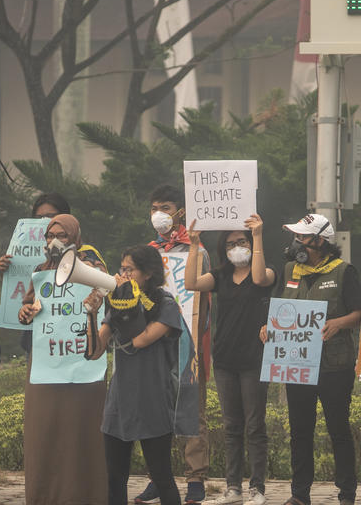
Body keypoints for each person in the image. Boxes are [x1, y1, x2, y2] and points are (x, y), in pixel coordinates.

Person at [267, 213, 361, 505]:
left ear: (320, 241)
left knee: (338, 429)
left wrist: (339, 323)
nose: (297, 243)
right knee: (299, 431)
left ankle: (347, 493)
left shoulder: (345, 271)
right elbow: (277, 308)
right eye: (296, 237)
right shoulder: (288, 270)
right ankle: (299, 495)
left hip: (335, 365)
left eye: (302, 238)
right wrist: (266, 328)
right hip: (296, 364)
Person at [17, 213, 109, 505]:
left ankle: (85, 497)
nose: (53, 241)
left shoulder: (93, 267)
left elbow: (109, 298)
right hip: (46, 369)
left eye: (62, 235)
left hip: (83, 371)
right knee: (43, 435)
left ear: (75, 238)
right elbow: (28, 307)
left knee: (81, 435)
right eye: (48, 236)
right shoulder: (41, 270)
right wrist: (26, 312)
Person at [183, 215, 274, 505]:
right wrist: (194, 245)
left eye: (242, 242)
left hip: (254, 359)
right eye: (232, 243)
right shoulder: (221, 275)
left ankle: (257, 488)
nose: (238, 247)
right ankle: (233, 486)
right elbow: (190, 283)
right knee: (231, 426)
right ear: (224, 248)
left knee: (255, 425)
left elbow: (259, 278)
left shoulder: (265, 273)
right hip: (224, 359)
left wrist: (257, 235)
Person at [86, 245, 184, 505]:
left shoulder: (165, 305)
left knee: (162, 475)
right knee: (115, 478)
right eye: (122, 269)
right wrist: (92, 313)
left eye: (129, 270)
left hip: (152, 399)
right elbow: (95, 351)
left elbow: (141, 340)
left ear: (148, 273)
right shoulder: (119, 303)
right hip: (120, 400)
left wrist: (126, 307)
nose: (123, 275)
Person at [139, 184, 211, 505]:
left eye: (165, 208)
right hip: (155, 342)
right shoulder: (147, 252)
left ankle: (196, 479)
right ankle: (158, 477)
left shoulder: (198, 251)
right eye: (155, 208)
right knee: (155, 410)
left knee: (192, 410)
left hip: (189, 340)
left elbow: (204, 298)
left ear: (180, 212)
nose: (159, 215)